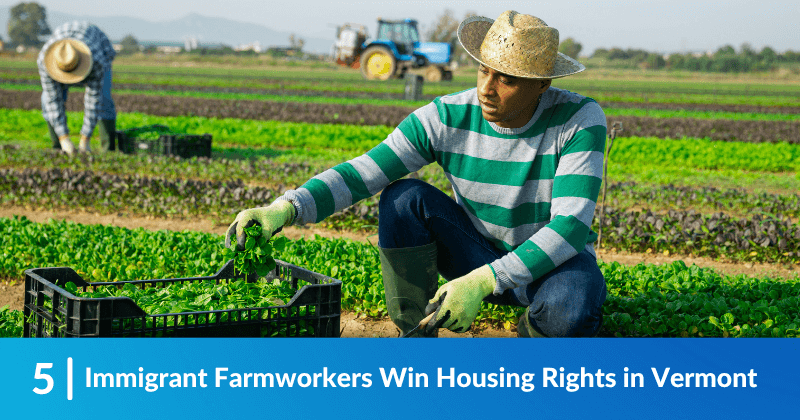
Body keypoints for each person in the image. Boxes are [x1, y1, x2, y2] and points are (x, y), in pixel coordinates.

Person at [226, 10, 608, 338]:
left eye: (506, 80)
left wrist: (484, 281)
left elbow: (570, 226)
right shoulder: (445, 117)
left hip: (551, 266)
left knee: (570, 310)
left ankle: (534, 330)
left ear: (542, 84)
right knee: (404, 199)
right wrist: (285, 208)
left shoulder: (578, 120)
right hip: (476, 254)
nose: (486, 89)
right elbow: (363, 173)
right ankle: (415, 331)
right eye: (483, 70)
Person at [37, 21, 117, 155]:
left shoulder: (96, 61)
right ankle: (59, 146)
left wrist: (85, 139)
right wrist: (64, 138)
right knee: (46, 100)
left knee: (104, 99)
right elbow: (52, 100)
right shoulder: (44, 61)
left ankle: (108, 149)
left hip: (100, 50)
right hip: (65, 54)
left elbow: (93, 100)